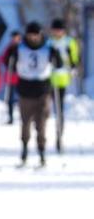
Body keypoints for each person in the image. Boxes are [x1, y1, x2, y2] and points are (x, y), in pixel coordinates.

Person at [8, 22, 63, 167]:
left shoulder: (48, 47)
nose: (33, 38)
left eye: (36, 35)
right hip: (25, 90)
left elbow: (59, 64)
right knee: (25, 122)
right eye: (31, 35)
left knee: (42, 123)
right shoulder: (19, 48)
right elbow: (10, 64)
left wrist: (56, 57)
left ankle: (41, 151)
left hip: (43, 89)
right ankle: (24, 149)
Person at [48, 18, 80, 152]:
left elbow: (74, 59)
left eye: (60, 30)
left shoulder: (69, 42)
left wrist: (73, 67)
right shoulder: (49, 42)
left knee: (59, 109)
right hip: (48, 78)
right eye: (55, 30)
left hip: (62, 79)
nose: (57, 32)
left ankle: (59, 135)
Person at [0, 31, 22, 125]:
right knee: (10, 98)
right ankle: (10, 117)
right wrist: (8, 60)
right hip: (11, 77)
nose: (14, 40)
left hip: (21, 77)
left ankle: (22, 116)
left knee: (21, 98)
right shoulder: (9, 48)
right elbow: (3, 59)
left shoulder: (22, 47)